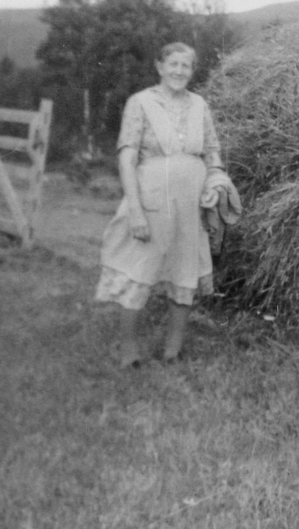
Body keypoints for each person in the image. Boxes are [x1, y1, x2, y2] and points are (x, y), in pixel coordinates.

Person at [95, 42, 225, 367]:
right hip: (151, 201)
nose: (180, 71)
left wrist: (215, 183)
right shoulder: (140, 102)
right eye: (174, 64)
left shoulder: (199, 105)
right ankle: (129, 351)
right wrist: (136, 210)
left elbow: (212, 153)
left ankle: (173, 350)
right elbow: (126, 159)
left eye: (186, 66)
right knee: (139, 271)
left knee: (185, 270)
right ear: (159, 67)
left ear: (192, 72)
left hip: (191, 204)